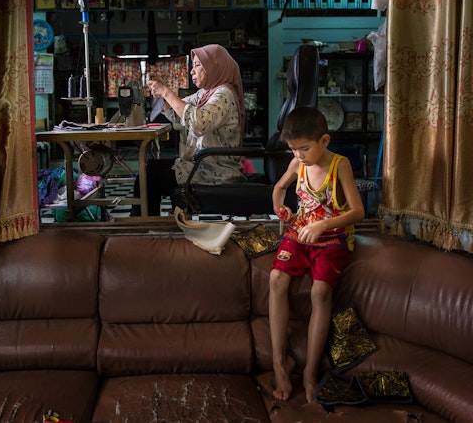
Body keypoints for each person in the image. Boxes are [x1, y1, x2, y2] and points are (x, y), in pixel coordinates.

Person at [269, 106, 365, 403]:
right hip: (300, 232)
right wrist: (279, 206)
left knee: (320, 291)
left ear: (324, 141)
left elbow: (358, 211)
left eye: (304, 148)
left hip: (332, 238)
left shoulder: (340, 165)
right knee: (275, 279)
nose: (298, 155)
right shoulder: (298, 164)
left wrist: (324, 223)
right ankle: (279, 363)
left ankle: (310, 372)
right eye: (293, 150)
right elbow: (279, 187)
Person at [131, 44, 246, 216]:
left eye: (198, 65)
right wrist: (163, 91)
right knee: (149, 168)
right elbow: (177, 114)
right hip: (201, 164)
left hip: (214, 171)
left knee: (149, 177)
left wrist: (167, 92)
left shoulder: (223, 94)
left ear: (215, 66)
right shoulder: (205, 93)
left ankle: (146, 227)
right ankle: (147, 225)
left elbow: (198, 123)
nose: (192, 71)